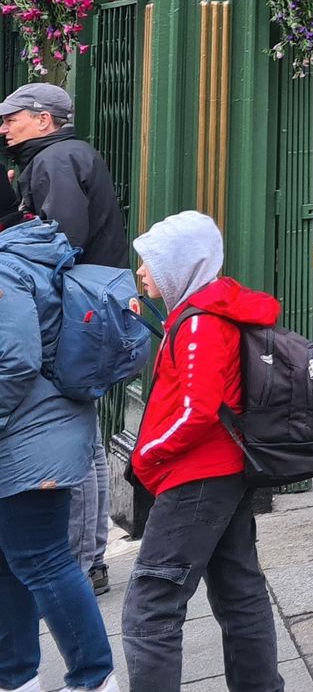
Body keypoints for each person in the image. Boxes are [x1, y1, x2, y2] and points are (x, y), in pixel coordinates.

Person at [124, 211, 282, 692]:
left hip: (195, 478)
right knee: (239, 590)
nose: (141, 271)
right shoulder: (210, 312)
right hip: (224, 471)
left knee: (150, 607)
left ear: (179, 265)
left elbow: (198, 410)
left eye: (151, 261)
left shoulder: (199, 323)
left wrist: (146, 454)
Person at [0, 83, 124, 598]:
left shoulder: (55, 160)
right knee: (88, 440)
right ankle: (88, 559)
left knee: (72, 444)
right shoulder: (67, 155)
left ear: (44, 119)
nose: (4, 128)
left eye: (11, 118)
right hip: (89, 311)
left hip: (72, 316)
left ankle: (76, 562)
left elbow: (59, 242)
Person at [0, 211, 118, 692]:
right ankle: (15, 676)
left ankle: (93, 679)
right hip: (39, 430)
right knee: (14, 559)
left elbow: (14, 359)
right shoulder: (26, 256)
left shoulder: (6, 267)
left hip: (31, 438)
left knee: (43, 558)